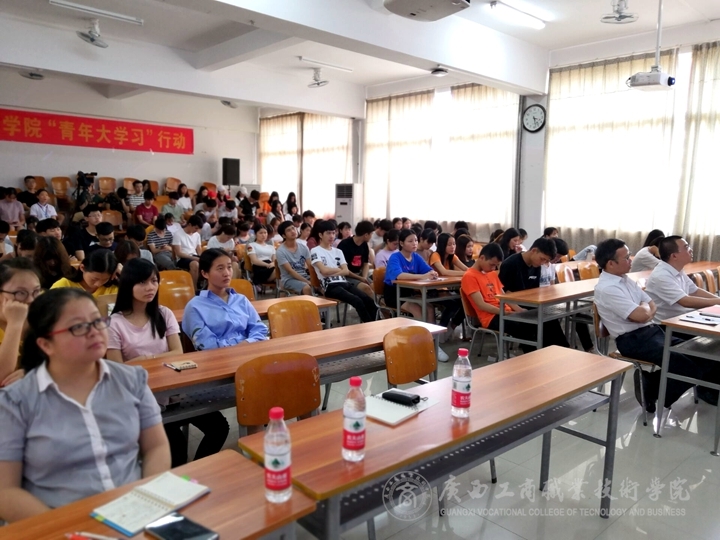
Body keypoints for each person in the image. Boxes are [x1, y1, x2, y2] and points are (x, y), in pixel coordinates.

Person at [0, 288, 170, 521]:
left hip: (134, 511)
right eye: (78, 327)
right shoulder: (15, 401)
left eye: (98, 321)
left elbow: (156, 447)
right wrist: (67, 529)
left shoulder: (132, 379)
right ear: (46, 344)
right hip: (60, 522)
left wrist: (147, 500)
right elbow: (5, 491)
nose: (95, 332)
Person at [594, 238, 719, 411]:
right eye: (627, 258)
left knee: (705, 354)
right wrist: (645, 310)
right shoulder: (608, 288)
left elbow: (650, 303)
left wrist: (645, 309)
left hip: (652, 331)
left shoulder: (625, 279)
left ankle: (651, 382)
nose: (631, 260)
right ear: (611, 263)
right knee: (687, 366)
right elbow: (641, 315)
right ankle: (652, 389)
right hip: (632, 340)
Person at [462, 243, 543, 355]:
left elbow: (504, 297)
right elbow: (481, 305)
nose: (493, 268)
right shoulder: (469, 276)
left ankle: (539, 354)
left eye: (496, 266)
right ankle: (533, 357)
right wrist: (506, 313)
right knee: (523, 326)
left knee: (536, 321)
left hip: (505, 312)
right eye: (492, 265)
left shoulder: (492, 274)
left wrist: (519, 310)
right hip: (490, 317)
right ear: (482, 258)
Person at [182, 249, 268, 350]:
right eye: (220, 268)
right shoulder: (194, 307)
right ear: (205, 273)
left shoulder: (241, 300)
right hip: (220, 356)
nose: (227, 273)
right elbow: (206, 345)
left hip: (250, 350)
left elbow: (259, 329)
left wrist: (247, 343)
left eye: (229, 267)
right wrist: (239, 348)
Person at [498, 238, 570, 349]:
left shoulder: (536, 265)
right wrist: (520, 309)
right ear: (534, 251)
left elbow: (535, 292)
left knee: (550, 318)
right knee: (539, 323)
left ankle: (560, 350)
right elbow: (504, 294)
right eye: (542, 259)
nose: (543, 263)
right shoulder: (510, 264)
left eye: (546, 261)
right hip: (512, 306)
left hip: (529, 304)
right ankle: (548, 352)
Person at [310, 221, 377, 323]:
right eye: (328, 233)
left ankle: (376, 323)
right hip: (330, 286)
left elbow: (345, 271)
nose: (331, 236)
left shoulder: (338, 251)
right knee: (357, 301)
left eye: (333, 233)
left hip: (345, 282)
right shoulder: (315, 251)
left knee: (368, 300)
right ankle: (370, 325)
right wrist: (338, 270)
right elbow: (323, 271)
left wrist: (332, 271)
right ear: (320, 235)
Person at [645, 236, 720, 324]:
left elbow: (695, 291)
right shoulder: (661, 276)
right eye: (686, 247)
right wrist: (717, 302)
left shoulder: (677, 270)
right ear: (674, 256)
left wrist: (717, 300)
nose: (691, 250)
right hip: (669, 325)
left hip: (684, 318)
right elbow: (685, 301)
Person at [0, 258, 43, 386]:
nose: (30, 300)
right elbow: (2, 377)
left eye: (36, 291)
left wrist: (35, 372)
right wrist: (15, 323)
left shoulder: (45, 315)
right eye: (20, 293)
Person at [51, 248, 119, 297]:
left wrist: (122, 272)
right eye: (94, 279)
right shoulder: (64, 286)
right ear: (82, 268)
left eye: (105, 279)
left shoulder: (113, 288)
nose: (98, 284)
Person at [337, 220, 374, 296]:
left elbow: (365, 264)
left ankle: (377, 303)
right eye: (371, 234)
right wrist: (360, 278)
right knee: (366, 288)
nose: (371, 236)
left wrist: (364, 277)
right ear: (366, 235)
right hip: (346, 276)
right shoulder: (344, 245)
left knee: (374, 286)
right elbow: (343, 269)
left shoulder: (364, 245)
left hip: (359, 275)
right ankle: (373, 304)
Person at [275, 221, 312, 295]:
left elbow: (310, 266)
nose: (292, 231)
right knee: (307, 287)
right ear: (284, 235)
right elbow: (290, 271)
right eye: (288, 230)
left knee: (323, 284)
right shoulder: (280, 251)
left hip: (304, 276)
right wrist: (307, 281)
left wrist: (315, 279)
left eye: (293, 228)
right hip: (289, 279)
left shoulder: (304, 247)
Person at [171, 215, 203, 289]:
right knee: (195, 264)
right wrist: (194, 258)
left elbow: (199, 250)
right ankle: (194, 288)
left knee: (210, 262)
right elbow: (179, 253)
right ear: (189, 224)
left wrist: (202, 257)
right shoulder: (178, 234)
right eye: (196, 228)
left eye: (198, 229)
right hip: (182, 258)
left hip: (194, 256)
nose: (197, 230)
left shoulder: (197, 235)